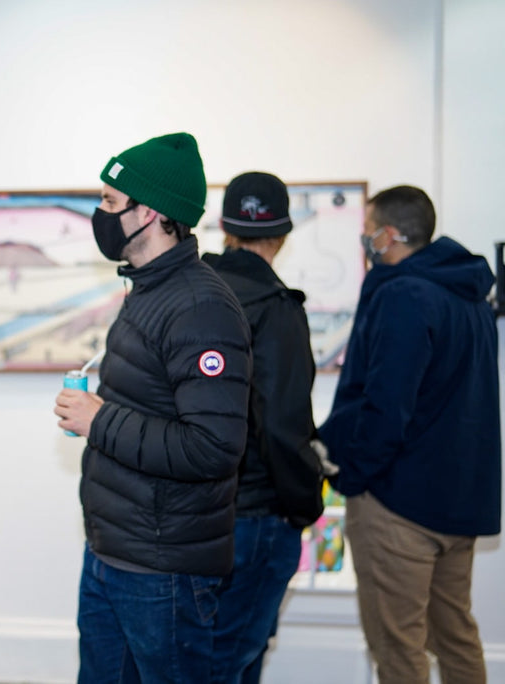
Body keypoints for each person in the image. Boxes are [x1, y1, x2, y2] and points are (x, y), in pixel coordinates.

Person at [53, 132, 252, 683]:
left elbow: (213, 447)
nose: (99, 214)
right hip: (115, 554)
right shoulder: (149, 291)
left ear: (153, 213)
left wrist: (100, 419)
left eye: (111, 203)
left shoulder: (200, 306)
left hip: (163, 573)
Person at [318, 185, 501, 684]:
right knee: (456, 637)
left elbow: (385, 406)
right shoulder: (470, 297)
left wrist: (352, 475)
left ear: (390, 235)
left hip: (398, 506)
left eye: (367, 232)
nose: (364, 242)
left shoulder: (402, 294)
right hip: (456, 504)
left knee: (399, 651)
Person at [202, 172, 324, 683]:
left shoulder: (190, 293)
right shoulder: (277, 310)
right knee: (232, 662)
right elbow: (283, 424)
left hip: (192, 517)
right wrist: (305, 505)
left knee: (200, 654)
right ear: (284, 235)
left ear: (225, 228)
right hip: (256, 516)